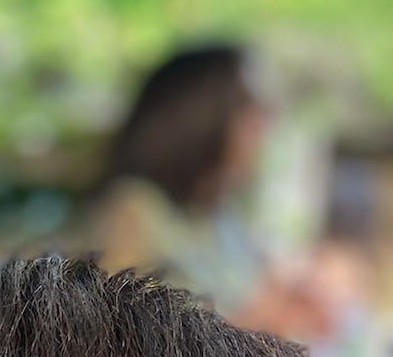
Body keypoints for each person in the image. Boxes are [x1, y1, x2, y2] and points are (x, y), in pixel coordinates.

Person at [86, 43, 333, 340]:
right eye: (248, 106)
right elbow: (120, 344)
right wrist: (260, 319)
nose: (264, 124)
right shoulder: (134, 210)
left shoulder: (221, 217)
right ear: (203, 117)